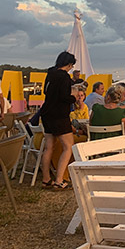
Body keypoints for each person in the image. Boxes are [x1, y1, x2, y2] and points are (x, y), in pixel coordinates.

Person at [39, 51, 79, 189]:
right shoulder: (64, 77)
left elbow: (45, 91)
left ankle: (46, 179)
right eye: (71, 65)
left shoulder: (50, 74)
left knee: (49, 147)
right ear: (68, 64)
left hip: (46, 113)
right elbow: (63, 97)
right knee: (68, 146)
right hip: (59, 115)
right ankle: (59, 180)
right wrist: (74, 97)